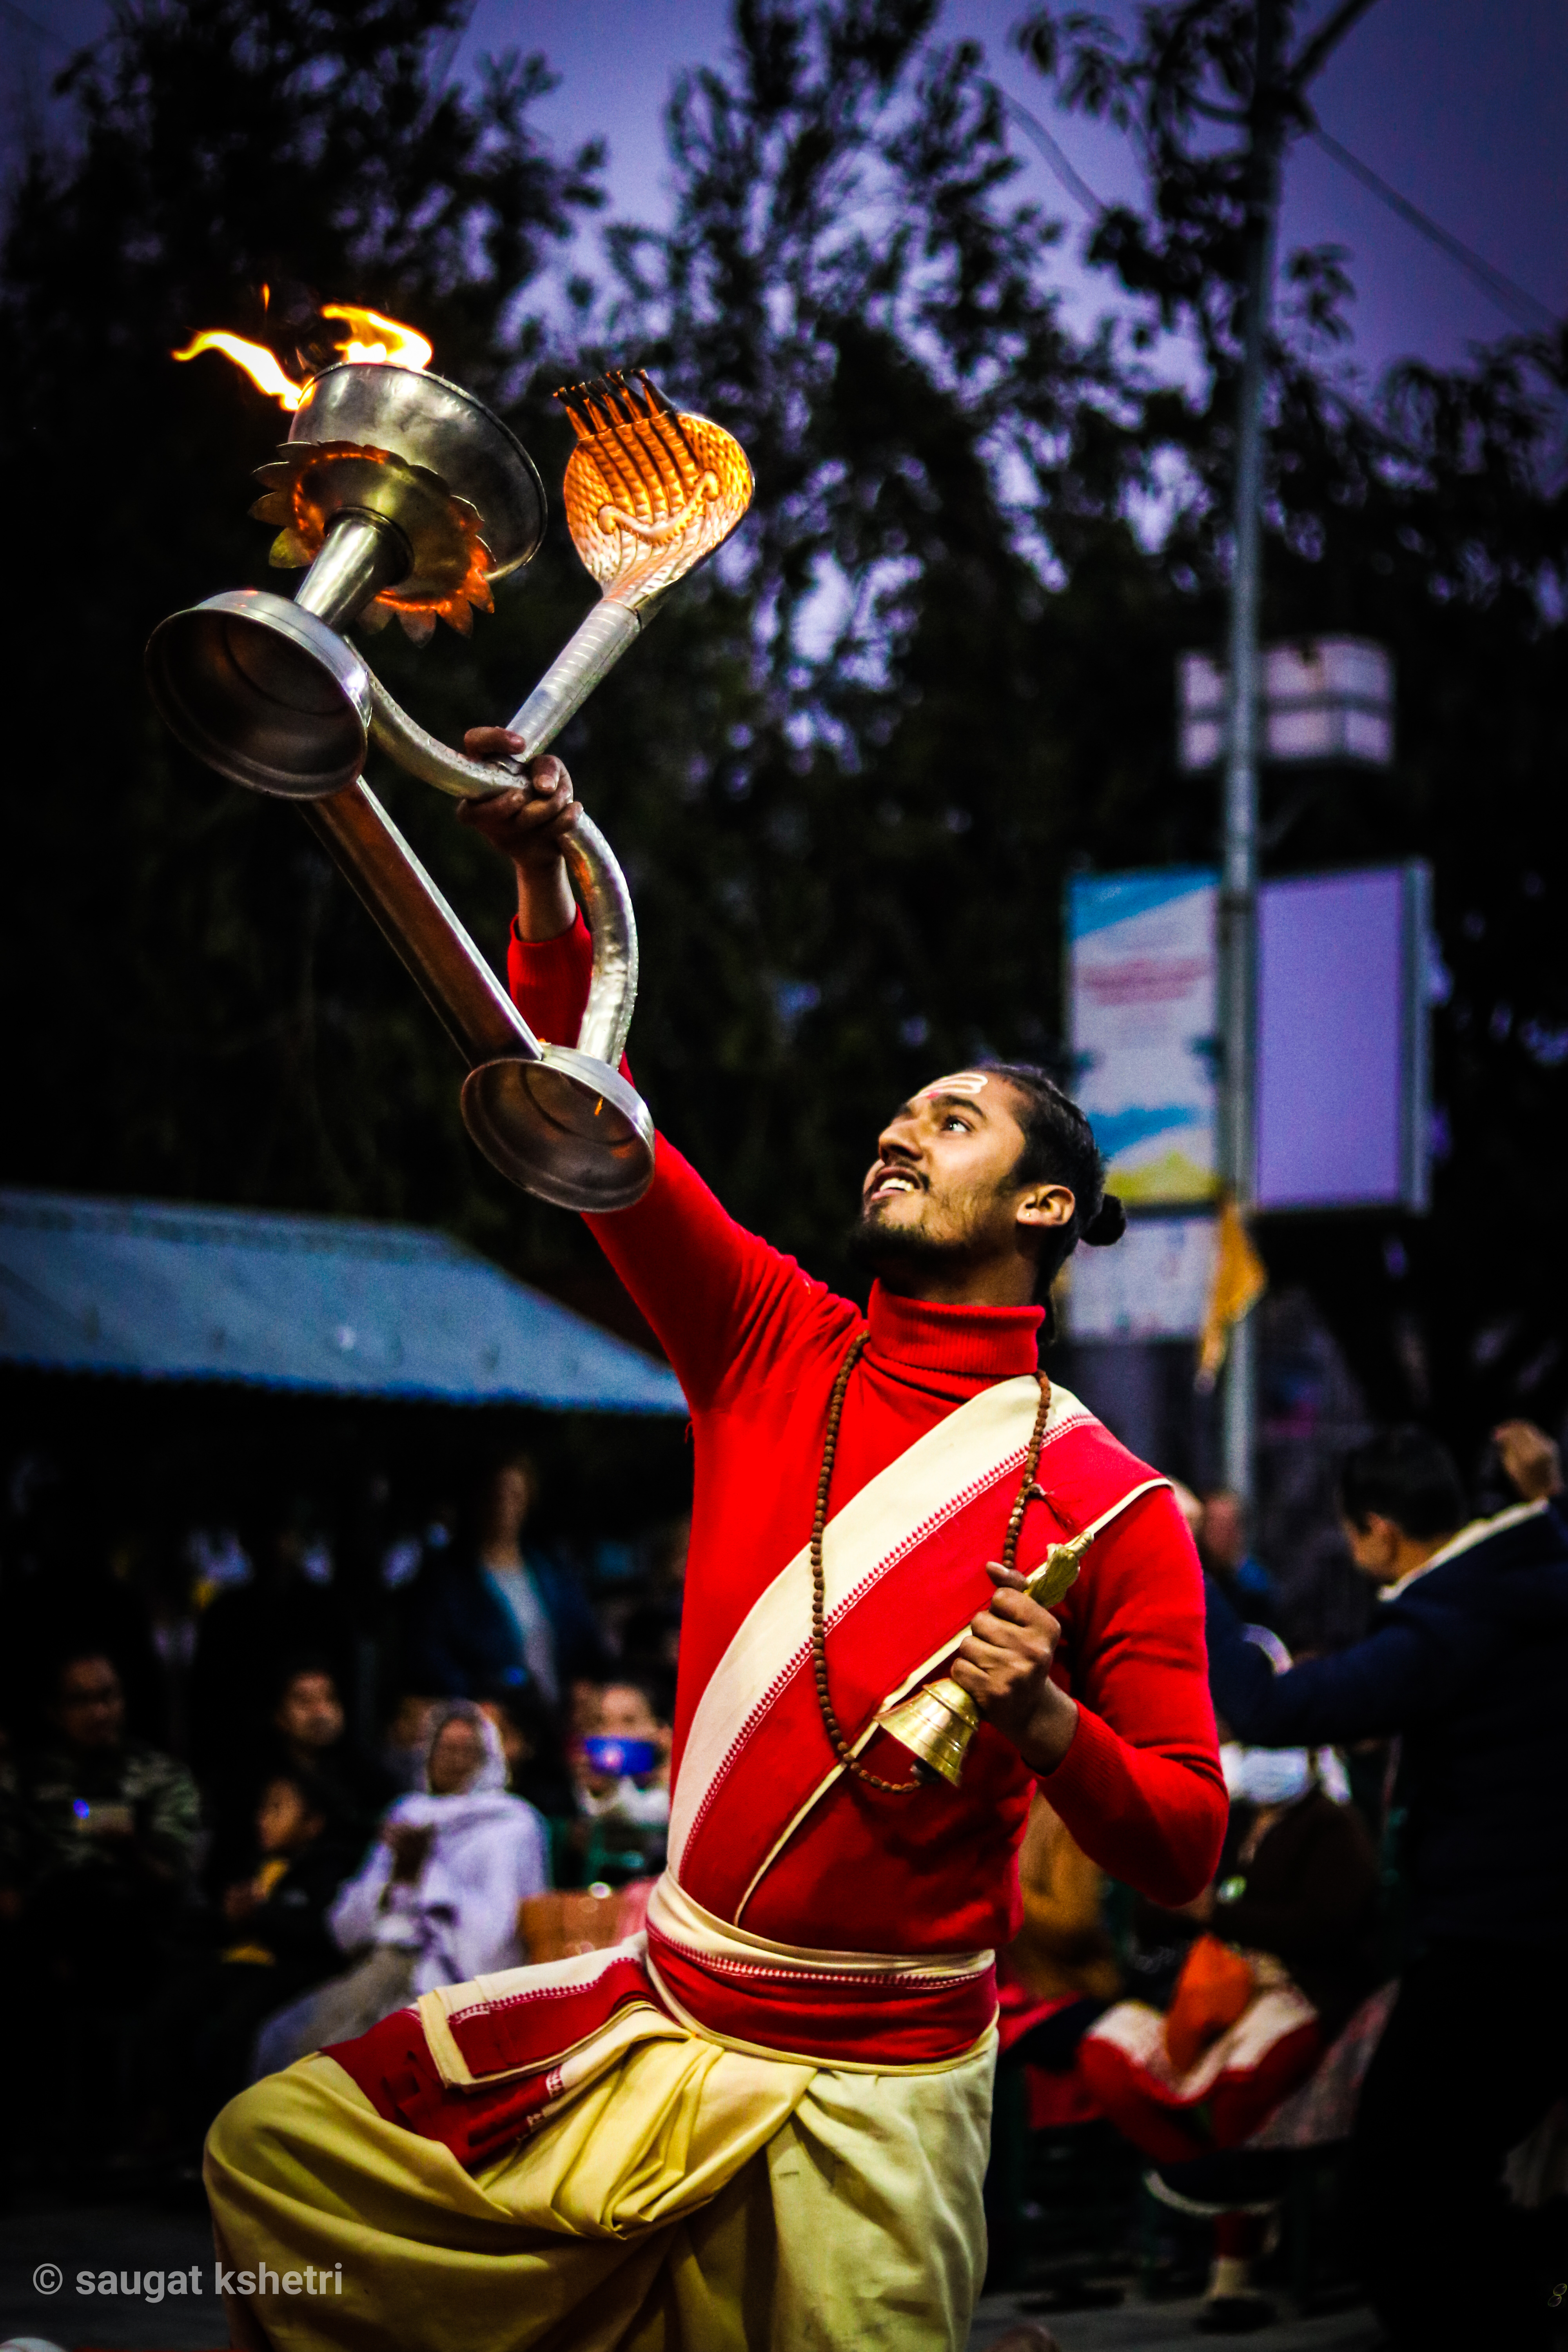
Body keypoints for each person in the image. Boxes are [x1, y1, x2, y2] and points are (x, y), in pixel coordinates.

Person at [206, 748, 1227, 2352]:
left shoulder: (1119, 1509)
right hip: (657, 2018)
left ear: (1042, 1207)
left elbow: (1185, 1844)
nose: (896, 1136)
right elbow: (575, 1110)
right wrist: (546, 891)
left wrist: (1045, 1724)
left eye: (947, 1124)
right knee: (277, 2158)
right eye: (896, 1119)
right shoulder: (767, 1341)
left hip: (883, 2103)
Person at [1204, 1420, 1568, 2349]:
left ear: (1375, 1532)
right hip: (1524, 1941)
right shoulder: (1529, 1576)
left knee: (1397, 2191)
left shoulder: (1447, 1623)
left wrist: (1178, 1573)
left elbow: (1268, 1707)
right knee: (1454, 2181)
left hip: (1493, 1947)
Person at [1081, 1743, 1377, 2330]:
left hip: (1297, 1994)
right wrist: (1188, 1903)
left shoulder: (1333, 1827)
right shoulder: (1229, 1817)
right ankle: (1208, 2187)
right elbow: (1156, 1907)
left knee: (1246, 2081)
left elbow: (1330, 1927)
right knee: (1106, 2051)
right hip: (1206, 1997)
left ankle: (1233, 2266)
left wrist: (1215, 1911)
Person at [251, 1702, 550, 2078]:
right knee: (282, 2043)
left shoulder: (512, 1825)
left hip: (448, 1977)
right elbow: (345, 1927)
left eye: (466, 1750)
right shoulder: (408, 1813)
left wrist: (428, 1878)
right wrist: (398, 1878)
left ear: (487, 1756)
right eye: (445, 1749)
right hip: (378, 1963)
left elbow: (499, 1937)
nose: (454, 1761)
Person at [10, 1649, 201, 2165]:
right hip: (35, 1937)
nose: (99, 1713)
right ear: (53, 1711)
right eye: (82, 1701)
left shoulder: (157, 1776)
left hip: (136, 1939)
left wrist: (131, 1851)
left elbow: (175, 1878)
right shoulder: (23, 1779)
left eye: (108, 1697)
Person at [407, 1451, 610, 1706]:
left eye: (514, 1496)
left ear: (528, 1500)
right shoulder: (447, 1580)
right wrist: (472, 1699)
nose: (503, 1507)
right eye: (493, 1496)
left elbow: (584, 1640)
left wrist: (585, 1682)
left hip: (553, 1712)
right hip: (487, 1717)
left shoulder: (551, 1570)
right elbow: (431, 1655)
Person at [1198, 1489, 1279, 1630]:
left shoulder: (1255, 1589)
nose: (1222, 1535)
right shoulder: (1194, 1583)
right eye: (1216, 1526)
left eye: (1228, 1527)